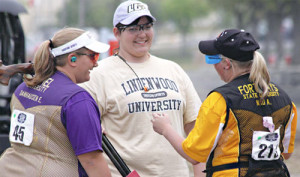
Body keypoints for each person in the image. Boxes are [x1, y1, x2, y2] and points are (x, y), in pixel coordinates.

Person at [79, 0, 202, 176]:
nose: (142, 34)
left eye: (146, 26)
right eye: (133, 28)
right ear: (117, 33)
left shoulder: (174, 69)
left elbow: (197, 133)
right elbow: (82, 133)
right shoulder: (97, 74)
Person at [151, 29, 298, 177]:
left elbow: (194, 155)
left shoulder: (220, 100)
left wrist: (165, 128)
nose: (213, 66)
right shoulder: (285, 99)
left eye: (213, 59)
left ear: (227, 63)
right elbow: (286, 153)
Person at [0, 27, 112, 177]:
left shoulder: (22, 88)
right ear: (72, 59)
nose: (96, 64)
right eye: (93, 56)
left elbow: (44, 136)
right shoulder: (77, 99)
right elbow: (92, 161)